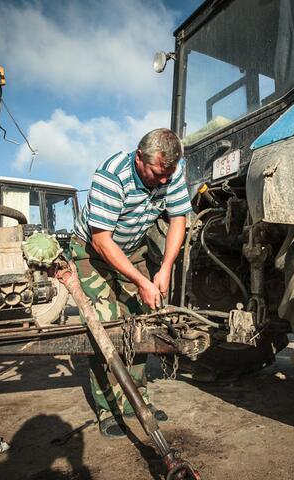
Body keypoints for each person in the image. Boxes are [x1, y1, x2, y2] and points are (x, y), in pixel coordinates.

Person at [72, 128, 192, 438]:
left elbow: (179, 218)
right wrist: (140, 280)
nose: (164, 181)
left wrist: (164, 268)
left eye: (169, 174)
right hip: (93, 252)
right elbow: (101, 242)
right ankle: (109, 408)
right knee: (107, 328)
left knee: (140, 323)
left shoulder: (170, 171)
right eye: (157, 173)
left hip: (131, 248)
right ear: (139, 158)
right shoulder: (111, 177)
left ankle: (137, 401)